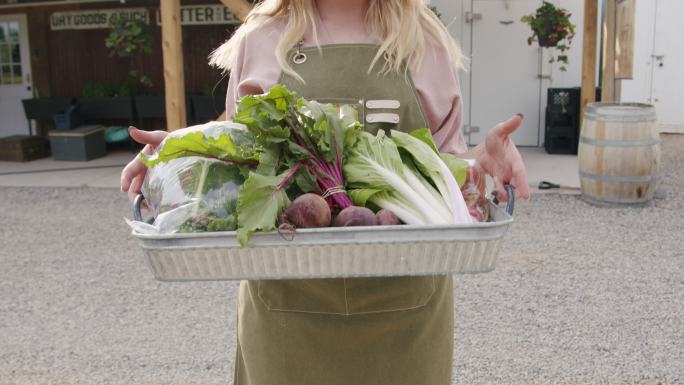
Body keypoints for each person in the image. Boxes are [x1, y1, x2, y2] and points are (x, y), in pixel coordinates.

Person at [121, 1, 530, 384]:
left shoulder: (424, 39)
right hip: (285, 312)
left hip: (407, 309)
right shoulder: (261, 37)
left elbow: (446, 166)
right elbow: (239, 150)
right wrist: (179, 149)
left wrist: (483, 160)